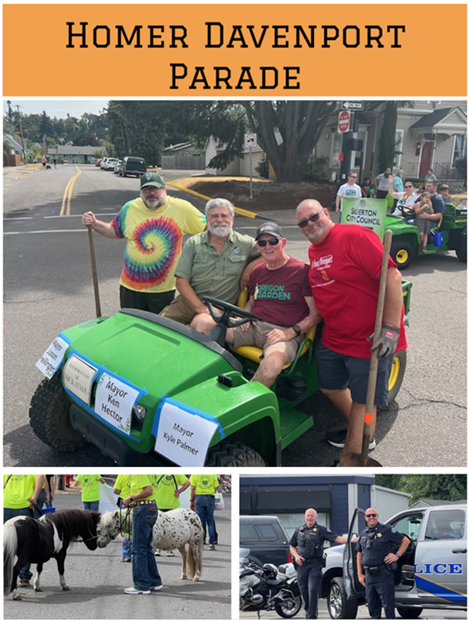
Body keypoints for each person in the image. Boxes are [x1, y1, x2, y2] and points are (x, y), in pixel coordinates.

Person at [296, 200, 407, 456]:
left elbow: (392, 277)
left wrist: (390, 328)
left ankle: (354, 453)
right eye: (303, 223)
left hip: (367, 340)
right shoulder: (315, 251)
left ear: (326, 213)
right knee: (330, 387)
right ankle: (361, 429)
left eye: (313, 217)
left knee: (362, 400)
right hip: (335, 338)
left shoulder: (354, 236)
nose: (310, 224)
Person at [82, 172, 206, 314]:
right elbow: (114, 231)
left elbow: (207, 229)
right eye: (146, 189)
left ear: (164, 190)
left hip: (162, 290)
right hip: (130, 289)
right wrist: (94, 224)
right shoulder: (130, 208)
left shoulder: (182, 209)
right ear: (141, 192)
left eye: (156, 189)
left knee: (158, 330)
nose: (151, 193)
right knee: (130, 328)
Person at [225, 222, 322, 388]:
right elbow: (252, 301)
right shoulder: (257, 272)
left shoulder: (301, 271)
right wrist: (245, 315)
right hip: (252, 327)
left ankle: (244, 402)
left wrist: (290, 332)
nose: (267, 246)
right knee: (203, 323)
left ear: (283, 243)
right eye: (262, 243)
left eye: (273, 241)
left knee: (272, 363)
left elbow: (316, 314)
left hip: (283, 334)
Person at [160, 198, 262, 333]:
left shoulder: (245, 243)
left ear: (232, 218)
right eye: (214, 216)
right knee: (157, 327)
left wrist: (250, 267)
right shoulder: (194, 243)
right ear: (207, 219)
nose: (219, 220)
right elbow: (181, 282)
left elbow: (272, 252)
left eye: (224, 215)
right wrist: (200, 308)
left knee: (202, 326)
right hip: (188, 301)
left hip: (221, 306)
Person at [289, 508, 349, 619]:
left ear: (316, 517)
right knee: (304, 591)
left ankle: (312, 616)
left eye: (312, 516)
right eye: (308, 516)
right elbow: (292, 546)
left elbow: (337, 538)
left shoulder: (321, 530)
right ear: (305, 517)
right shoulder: (299, 530)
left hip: (315, 565)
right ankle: (309, 614)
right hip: (301, 565)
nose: (310, 517)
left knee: (312, 589)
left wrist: (351, 540)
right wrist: (296, 556)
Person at [356, 507, 410, 619]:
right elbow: (359, 554)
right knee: (372, 606)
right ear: (365, 518)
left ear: (378, 516)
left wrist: (397, 555)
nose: (371, 517)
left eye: (373, 515)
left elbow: (405, 541)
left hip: (383, 574)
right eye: (369, 516)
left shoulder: (386, 530)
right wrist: (359, 574)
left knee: (388, 606)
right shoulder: (363, 532)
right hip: (369, 575)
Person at [122, 474, 163, 595]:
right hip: (150, 507)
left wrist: (130, 498)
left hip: (142, 509)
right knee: (146, 547)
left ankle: (141, 585)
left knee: (137, 548)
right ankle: (154, 581)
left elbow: (148, 491)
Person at [3, 474, 45, 587]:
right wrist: (35, 496)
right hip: (23, 506)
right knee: (26, 544)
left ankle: (4, 574)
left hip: (6, 505)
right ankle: (24, 576)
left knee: (6, 543)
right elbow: (41, 475)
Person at [153, 475, 190, 557]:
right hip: (172, 504)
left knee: (158, 528)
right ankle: (169, 550)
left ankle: (157, 549)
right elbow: (187, 482)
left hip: (158, 503)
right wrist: (179, 491)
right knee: (171, 528)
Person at [190, 474, 220, 551]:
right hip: (210, 496)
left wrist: (191, 500)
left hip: (199, 496)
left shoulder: (194, 474)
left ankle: (201, 541)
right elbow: (216, 487)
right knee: (210, 521)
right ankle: (211, 543)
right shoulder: (212, 473)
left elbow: (193, 487)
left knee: (200, 521)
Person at [113, 474, 132, 562]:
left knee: (126, 529)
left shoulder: (122, 474)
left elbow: (116, 490)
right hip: (139, 501)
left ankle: (126, 554)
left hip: (125, 501)